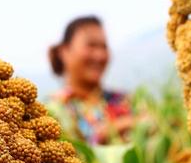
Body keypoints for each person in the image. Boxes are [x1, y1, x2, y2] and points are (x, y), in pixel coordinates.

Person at [47, 16, 134, 145]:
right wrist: (109, 132)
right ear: (64, 52)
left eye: (104, 47)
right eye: (91, 46)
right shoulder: (53, 111)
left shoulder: (124, 100)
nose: (99, 55)